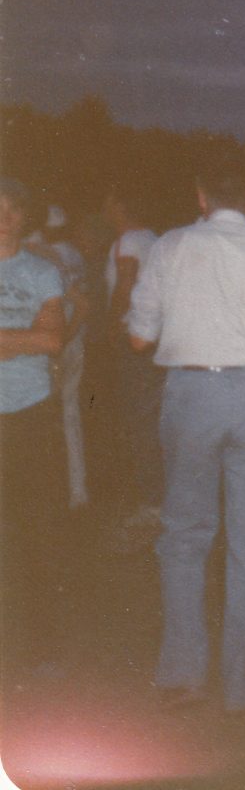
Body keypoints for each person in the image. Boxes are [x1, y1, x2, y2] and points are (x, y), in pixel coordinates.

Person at [127, 151, 245, 712]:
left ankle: (183, 671)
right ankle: (244, 686)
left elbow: (139, 339)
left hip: (192, 394)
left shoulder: (170, 248)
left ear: (202, 196)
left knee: (185, 534)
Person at [0, 178, 66, 673]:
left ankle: (43, 646)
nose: (4, 217)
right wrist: (26, 335)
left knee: (35, 529)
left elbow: (52, 342)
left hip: (30, 412)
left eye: (12, 209)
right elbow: (37, 337)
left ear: (25, 216)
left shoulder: (43, 272)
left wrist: (26, 339)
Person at [103, 183, 164, 533]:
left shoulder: (128, 242)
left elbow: (125, 285)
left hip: (134, 338)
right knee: (153, 420)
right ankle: (157, 495)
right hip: (156, 340)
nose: (105, 210)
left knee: (139, 421)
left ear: (121, 206)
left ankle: (151, 502)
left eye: (109, 204)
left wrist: (112, 325)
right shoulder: (154, 239)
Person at [28, 205, 91, 508]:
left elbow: (79, 304)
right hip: (70, 342)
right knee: (68, 415)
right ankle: (76, 491)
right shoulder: (67, 254)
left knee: (40, 419)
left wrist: (58, 342)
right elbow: (82, 303)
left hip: (50, 347)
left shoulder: (36, 256)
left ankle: (46, 494)